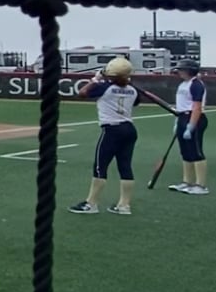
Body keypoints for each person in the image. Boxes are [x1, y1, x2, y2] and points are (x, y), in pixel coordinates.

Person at [69, 56, 172, 216]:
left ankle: (91, 203)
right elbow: (135, 101)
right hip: (129, 129)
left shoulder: (104, 87)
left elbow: (82, 93)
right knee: (125, 166)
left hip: (111, 130)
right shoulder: (133, 90)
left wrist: (96, 79)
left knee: (100, 166)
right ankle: (124, 205)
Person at [167, 61, 210, 195]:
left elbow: (197, 107)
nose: (179, 72)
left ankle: (201, 185)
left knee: (196, 152)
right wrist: (178, 122)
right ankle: (187, 182)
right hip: (182, 117)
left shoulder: (196, 84)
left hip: (194, 118)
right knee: (185, 152)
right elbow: (181, 105)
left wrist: (191, 126)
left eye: (182, 69)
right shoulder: (183, 84)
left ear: (190, 70)